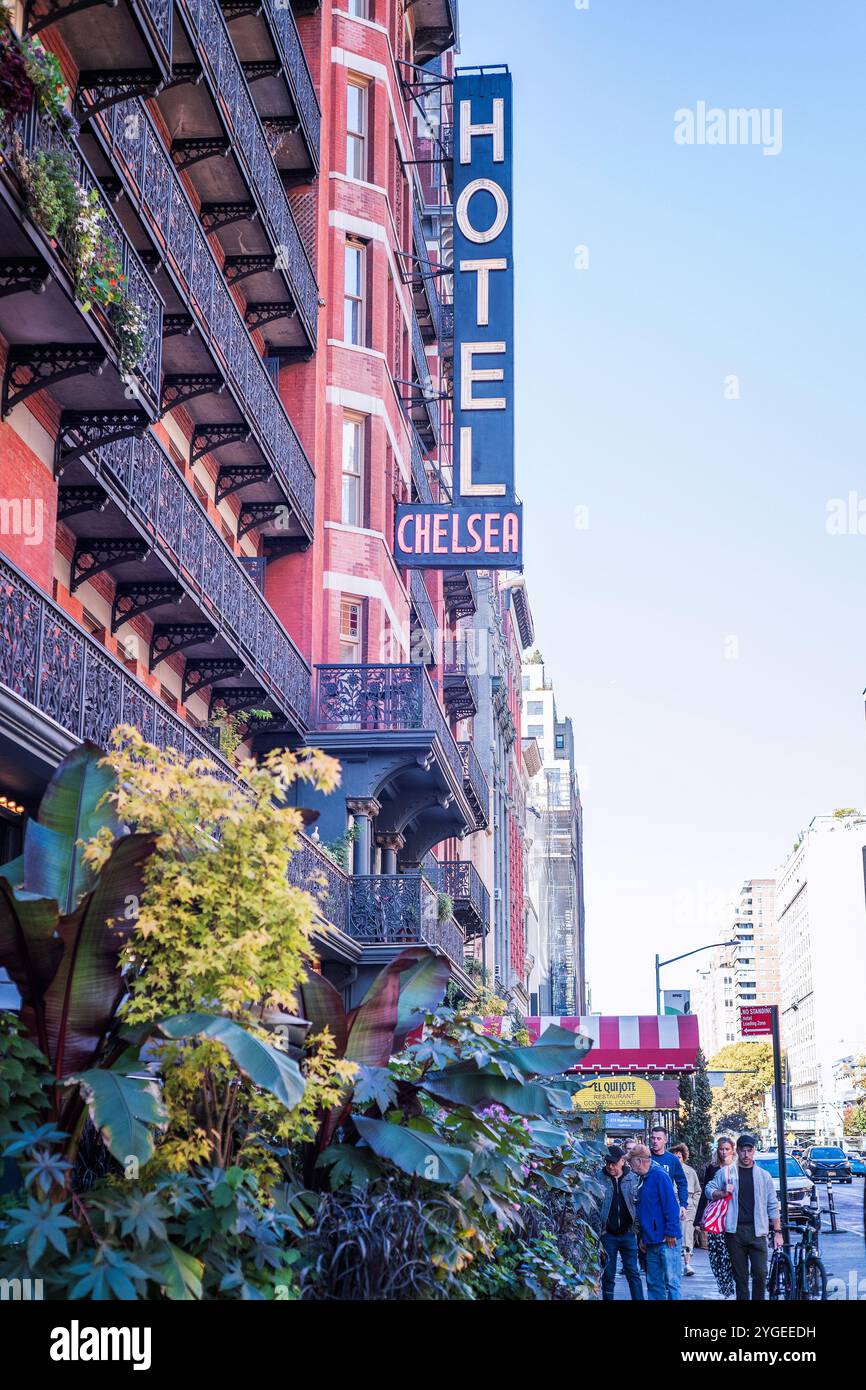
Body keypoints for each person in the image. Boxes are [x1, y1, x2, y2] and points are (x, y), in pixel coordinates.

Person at [704, 1133, 783, 1301]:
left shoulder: (764, 1176)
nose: (746, 1155)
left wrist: (777, 1231)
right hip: (735, 1231)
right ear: (737, 1152)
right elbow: (708, 1190)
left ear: (754, 1151)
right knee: (740, 1277)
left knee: (760, 1274)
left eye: (749, 1150)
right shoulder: (726, 1173)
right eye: (742, 1150)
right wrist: (722, 1193)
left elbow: (772, 1205)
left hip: (758, 1231)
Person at [628, 1143, 682, 1300]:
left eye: (630, 1162)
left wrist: (671, 1232)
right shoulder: (644, 1178)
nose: (629, 1166)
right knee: (654, 1282)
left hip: (666, 1239)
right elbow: (646, 1210)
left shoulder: (658, 1176)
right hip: (652, 1239)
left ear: (638, 1161)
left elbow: (671, 1205)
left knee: (671, 1282)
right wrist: (645, 1237)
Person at [598, 1145, 644, 1301]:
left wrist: (635, 1229)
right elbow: (592, 1207)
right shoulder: (599, 1178)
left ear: (622, 1162)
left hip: (628, 1234)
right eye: (607, 1162)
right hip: (607, 1235)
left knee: (633, 1273)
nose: (610, 1166)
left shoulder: (632, 1178)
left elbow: (639, 1205)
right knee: (608, 1275)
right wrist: (599, 1230)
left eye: (613, 1163)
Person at [697, 1136, 737, 1298]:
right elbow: (705, 1193)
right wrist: (699, 1219)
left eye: (727, 1149)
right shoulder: (712, 1168)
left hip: (733, 1215)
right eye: (721, 1148)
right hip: (716, 1217)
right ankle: (724, 1287)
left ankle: (732, 1286)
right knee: (716, 1255)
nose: (724, 1152)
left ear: (732, 1150)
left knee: (731, 1254)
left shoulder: (737, 1168)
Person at [671, 1142, 701, 1276]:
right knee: (673, 1234)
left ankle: (687, 1263)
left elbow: (697, 1191)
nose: (677, 1159)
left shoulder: (690, 1172)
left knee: (687, 1234)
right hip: (672, 1204)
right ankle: (674, 1263)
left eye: (679, 1157)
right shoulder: (668, 1171)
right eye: (674, 1157)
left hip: (688, 1206)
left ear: (683, 1158)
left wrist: (693, 1204)